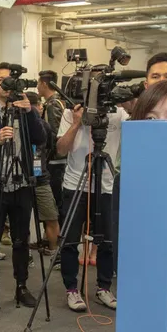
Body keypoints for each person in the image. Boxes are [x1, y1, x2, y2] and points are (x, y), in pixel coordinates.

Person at [0, 65, 47, 309]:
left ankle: (21, 286)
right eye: (0, 80)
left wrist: (31, 112)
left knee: (21, 239)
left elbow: (42, 139)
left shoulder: (25, 112)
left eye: (9, 80)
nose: (5, 85)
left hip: (22, 184)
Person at [55, 92, 128, 313]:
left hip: (105, 185)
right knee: (69, 241)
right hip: (75, 184)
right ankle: (71, 289)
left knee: (106, 240)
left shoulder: (118, 113)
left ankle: (104, 287)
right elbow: (61, 148)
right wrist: (77, 123)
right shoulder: (70, 112)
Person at [36, 72, 67, 253]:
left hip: (55, 162)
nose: (38, 87)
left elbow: (54, 136)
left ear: (44, 84)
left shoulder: (53, 105)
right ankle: (49, 239)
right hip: (55, 161)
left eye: (39, 83)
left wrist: (46, 155)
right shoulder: (55, 102)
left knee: (54, 204)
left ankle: (56, 242)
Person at [26, 92, 60, 255]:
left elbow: (51, 148)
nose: (41, 108)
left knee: (50, 215)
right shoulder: (18, 125)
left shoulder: (44, 126)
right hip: (22, 178)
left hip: (41, 177)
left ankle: (53, 248)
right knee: (21, 220)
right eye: (38, 105)